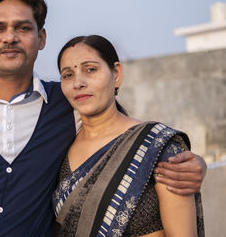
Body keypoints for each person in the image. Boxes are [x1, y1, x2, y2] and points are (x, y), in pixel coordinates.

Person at [0, 0, 206, 237]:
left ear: (41, 38)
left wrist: (195, 164)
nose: (9, 37)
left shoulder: (65, 103)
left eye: (23, 28)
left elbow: (127, 143)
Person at [52, 35, 204, 236]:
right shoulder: (61, 148)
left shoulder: (156, 145)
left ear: (116, 74)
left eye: (90, 69)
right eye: (68, 75)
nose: (78, 82)